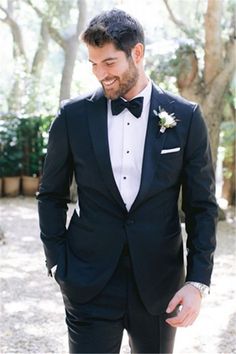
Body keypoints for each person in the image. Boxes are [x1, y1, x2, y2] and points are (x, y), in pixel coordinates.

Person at [37, 9, 217, 354]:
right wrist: (57, 262)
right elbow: (50, 194)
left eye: (109, 63)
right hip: (87, 281)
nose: (100, 74)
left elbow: (202, 206)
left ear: (137, 53)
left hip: (159, 285)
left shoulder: (187, 117)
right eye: (93, 64)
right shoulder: (72, 116)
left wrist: (197, 282)